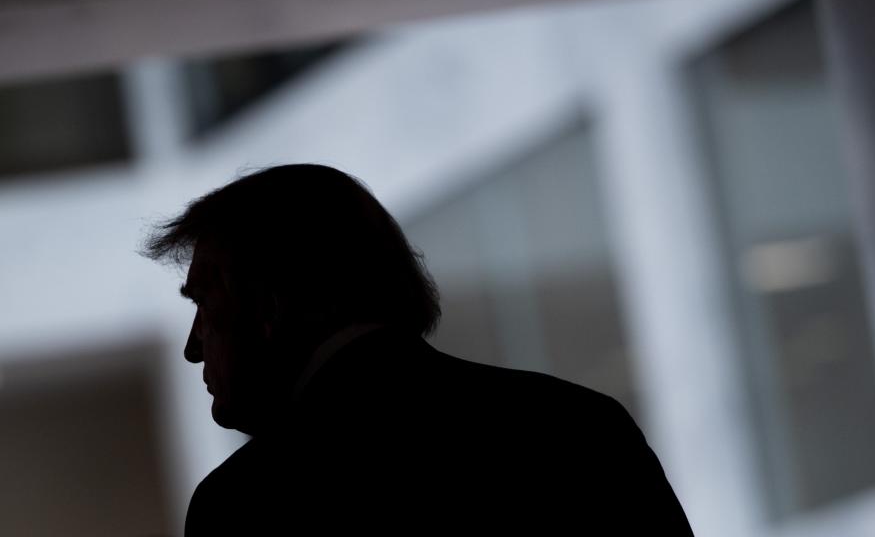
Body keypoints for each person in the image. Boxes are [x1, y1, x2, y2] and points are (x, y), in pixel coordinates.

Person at [143, 163, 694, 534]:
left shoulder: (248, 504)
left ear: (269, 305)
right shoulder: (580, 426)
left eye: (205, 307)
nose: (194, 348)